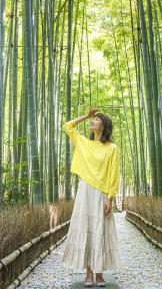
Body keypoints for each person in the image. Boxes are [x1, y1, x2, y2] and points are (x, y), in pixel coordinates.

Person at [61, 107, 121, 287]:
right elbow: (68, 126)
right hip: (85, 191)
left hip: (101, 193)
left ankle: (100, 273)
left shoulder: (112, 148)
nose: (92, 121)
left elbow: (113, 173)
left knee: (100, 229)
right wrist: (85, 116)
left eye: (95, 119)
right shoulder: (83, 143)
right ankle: (88, 273)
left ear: (104, 125)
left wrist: (110, 197)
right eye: (92, 119)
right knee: (86, 228)